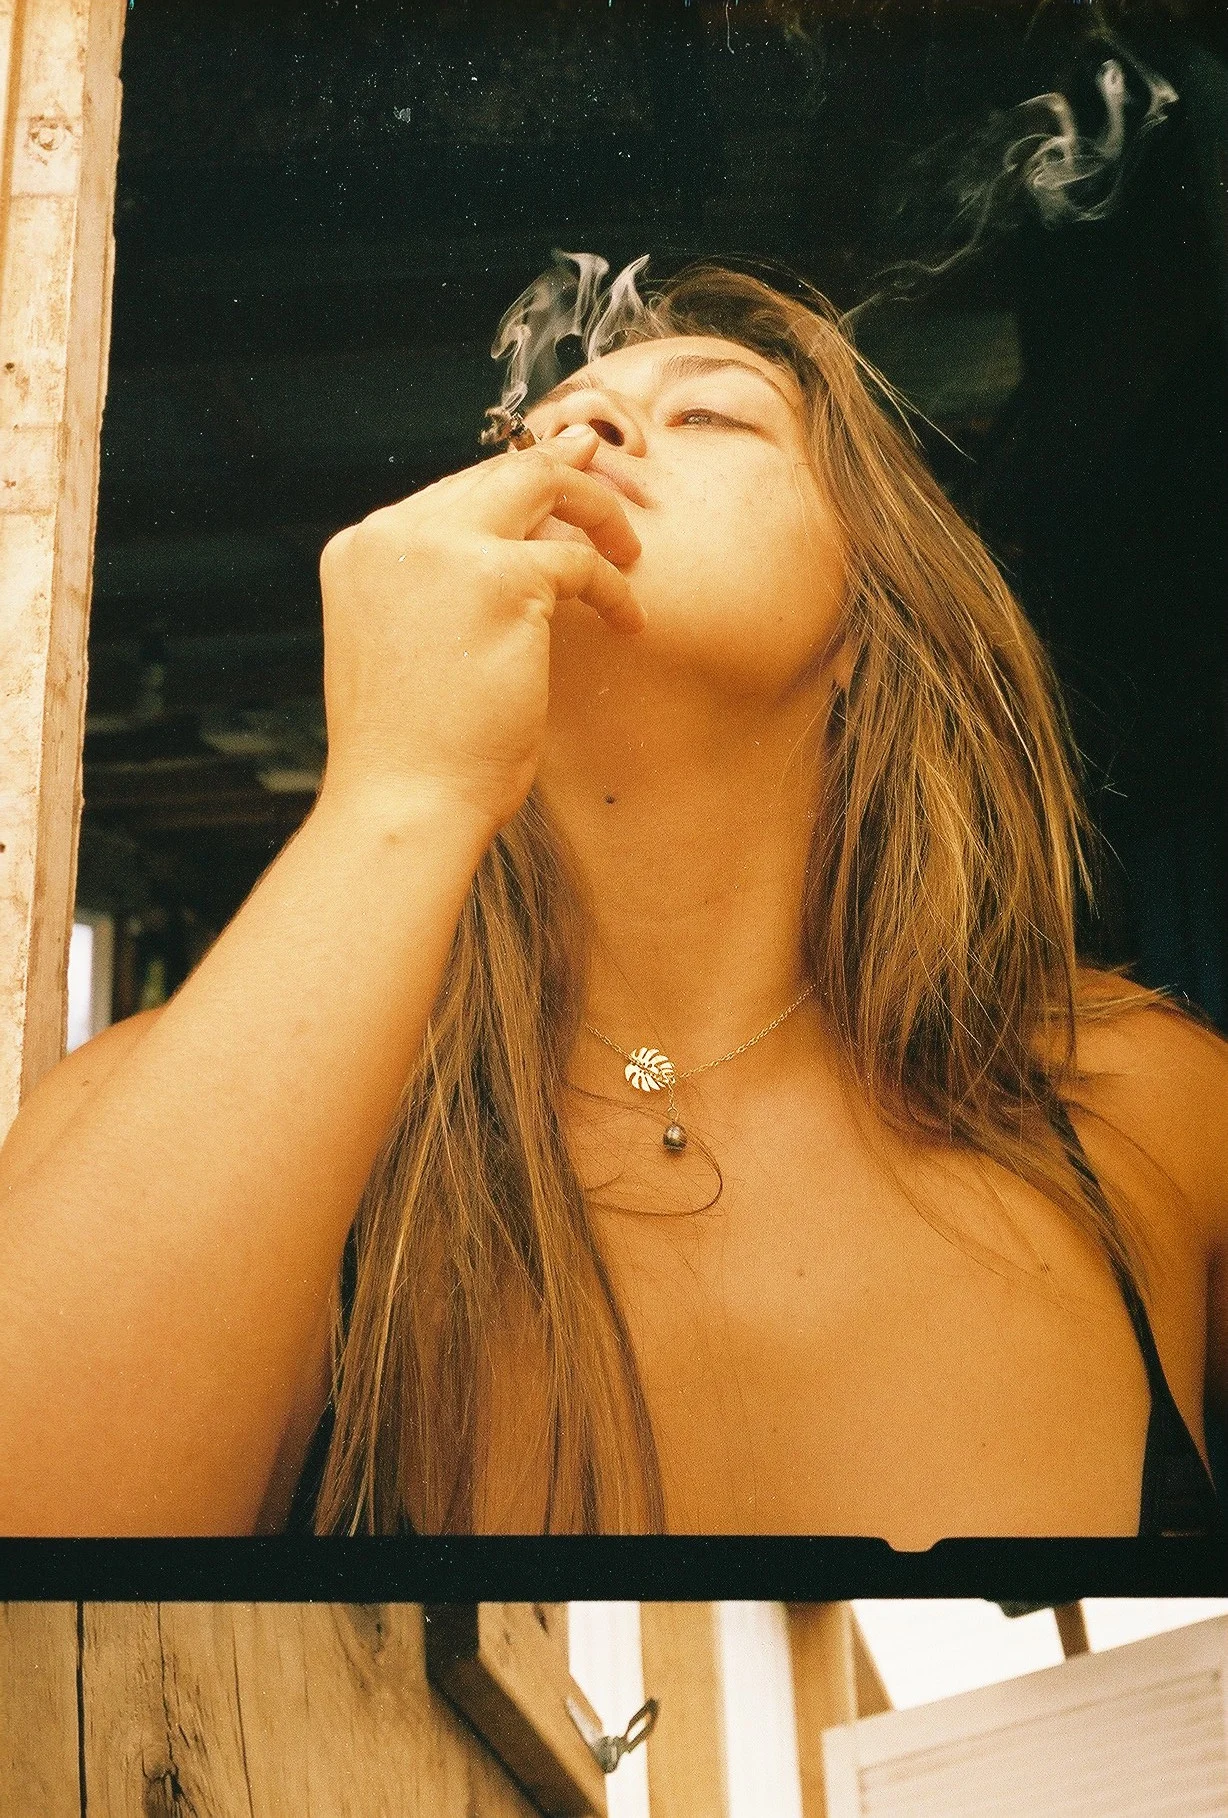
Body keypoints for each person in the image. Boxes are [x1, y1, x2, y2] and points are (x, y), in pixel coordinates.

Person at [0, 263, 1224, 1541]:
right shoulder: (155, 1128)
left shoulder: (1154, 1112)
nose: (582, 428)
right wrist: (397, 793)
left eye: (707, 413)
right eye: (537, 431)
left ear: (867, 623)